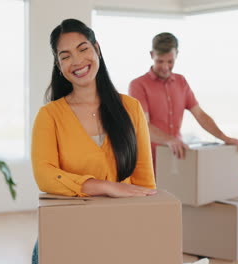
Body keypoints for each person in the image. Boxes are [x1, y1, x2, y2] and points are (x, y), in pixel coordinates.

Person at [30, 18, 157, 264]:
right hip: (65, 235)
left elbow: (144, 182)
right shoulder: (50, 116)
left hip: (120, 233)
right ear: (58, 65)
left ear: (97, 49)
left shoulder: (130, 108)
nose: (77, 61)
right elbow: (44, 175)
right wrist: (107, 187)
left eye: (83, 48)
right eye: (65, 56)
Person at [129, 32, 238, 168]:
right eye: (160, 61)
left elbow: (200, 115)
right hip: (147, 162)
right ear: (152, 55)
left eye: (170, 62)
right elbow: (143, 126)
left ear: (177, 54)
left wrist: (225, 138)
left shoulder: (181, 82)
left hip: (176, 158)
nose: (165, 67)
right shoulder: (138, 85)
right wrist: (170, 140)